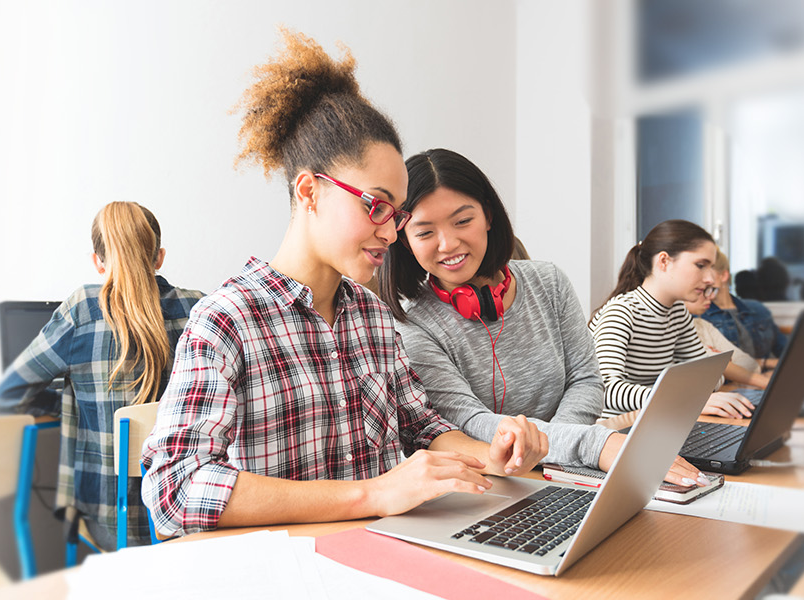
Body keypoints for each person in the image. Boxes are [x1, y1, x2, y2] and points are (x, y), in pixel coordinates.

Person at [139, 29, 524, 540]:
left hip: (391, 554)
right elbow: (174, 491)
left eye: (398, 213)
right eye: (377, 205)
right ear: (309, 191)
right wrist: (374, 493)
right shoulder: (228, 320)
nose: (392, 231)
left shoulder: (371, 314)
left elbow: (421, 427)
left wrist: (491, 451)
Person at [381, 148, 704, 484]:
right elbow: (469, 421)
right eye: (424, 232)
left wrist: (563, 449)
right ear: (403, 240)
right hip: (499, 482)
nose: (447, 244)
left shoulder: (549, 282)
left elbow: (587, 379)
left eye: (463, 221)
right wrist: (593, 445)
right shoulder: (411, 327)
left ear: (488, 216)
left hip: (573, 468)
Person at [0, 201, 206, 543]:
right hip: (187, 517)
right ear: (159, 257)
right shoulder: (198, 308)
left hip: (114, 524)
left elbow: (7, 395)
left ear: (97, 262)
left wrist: (71, 406)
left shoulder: (83, 310)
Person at [593, 220, 762, 422]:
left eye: (711, 268)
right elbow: (605, 392)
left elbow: (711, 378)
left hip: (661, 420)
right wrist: (683, 398)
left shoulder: (677, 313)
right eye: (700, 265)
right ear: (664, 262)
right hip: (615, 430)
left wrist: (680, 392)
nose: (710, 279)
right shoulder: (621, 312)